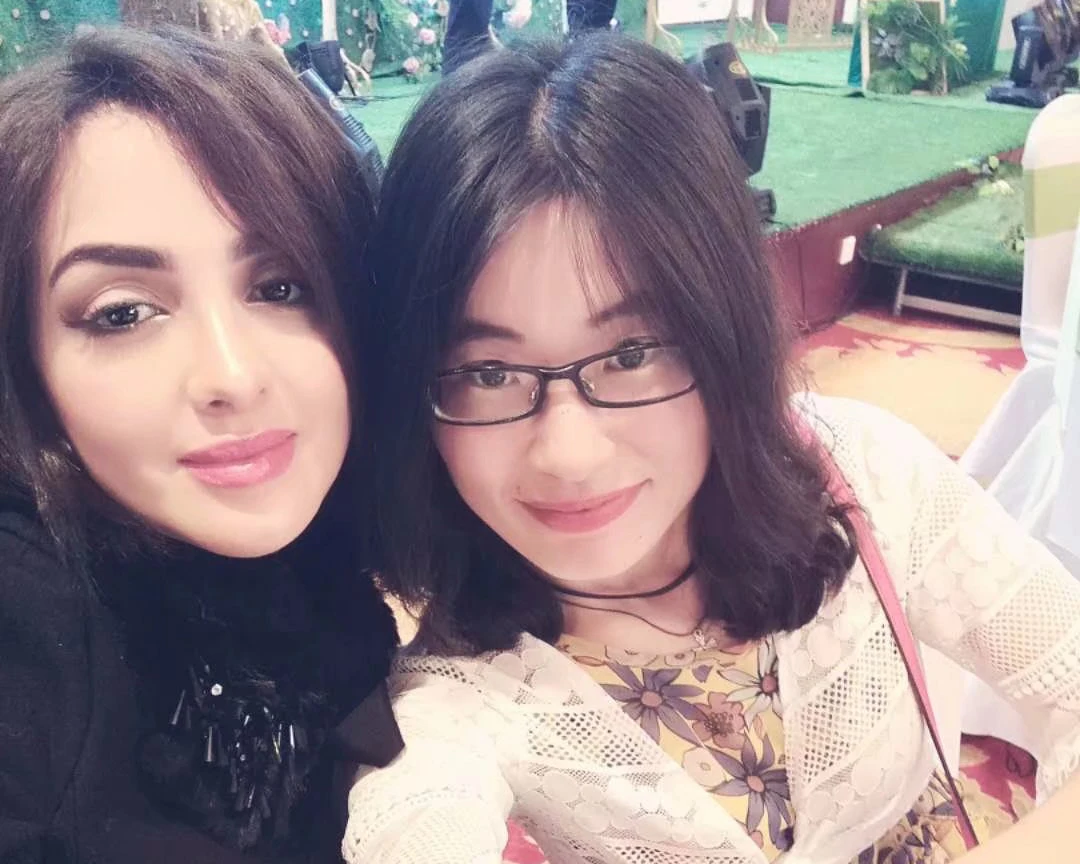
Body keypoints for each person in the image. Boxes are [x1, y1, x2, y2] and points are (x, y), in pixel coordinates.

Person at [345, 33, 1080, 864]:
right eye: (488, 374)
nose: (569, 454)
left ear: (724, 331)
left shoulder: (864, 477)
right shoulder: (459, 696)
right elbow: (418, 819)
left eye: (631, 355)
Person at [0, 26, 401, 863]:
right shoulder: (32, 627)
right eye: (123, 313)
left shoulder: (338, 554)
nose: (232, 376)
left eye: (280, 286)